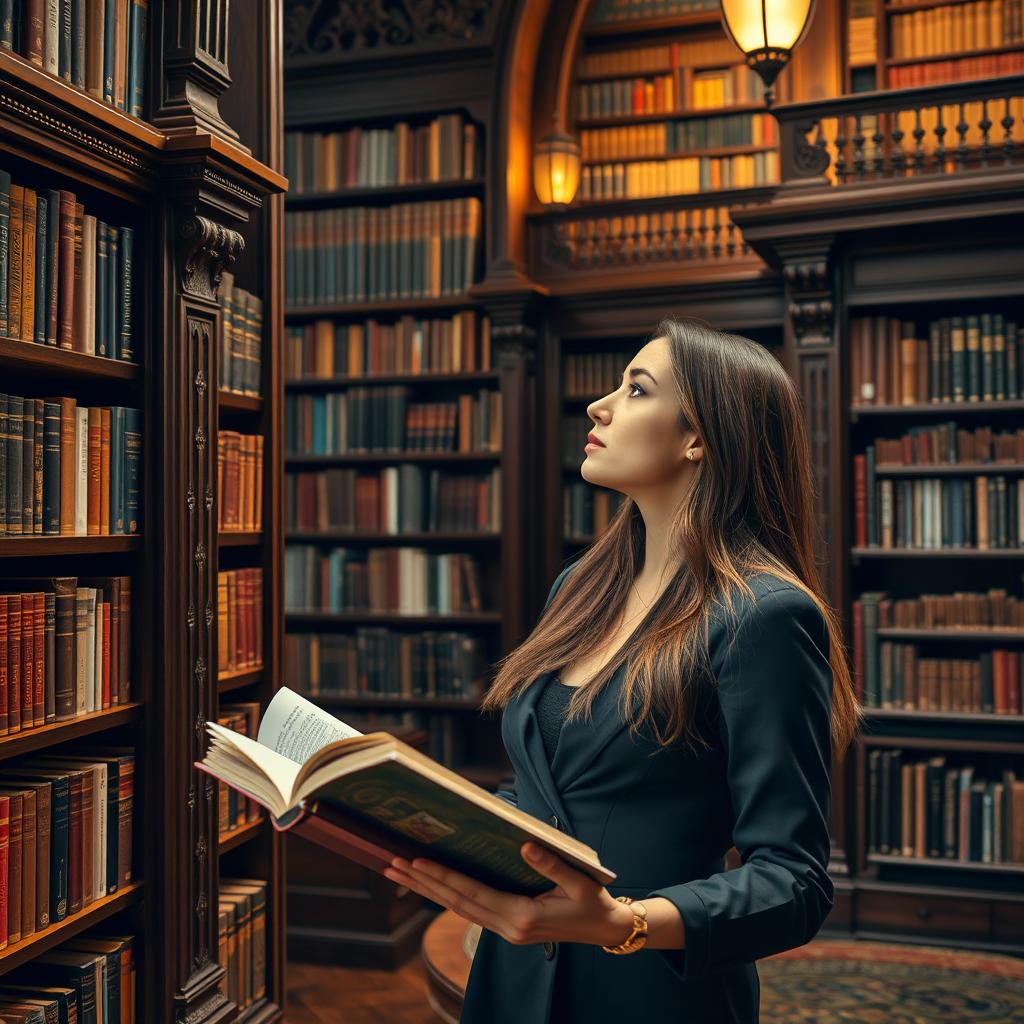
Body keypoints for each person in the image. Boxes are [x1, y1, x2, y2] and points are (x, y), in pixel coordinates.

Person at [383, 317, 863, 1023]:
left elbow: (793, 883)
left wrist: (623, 923)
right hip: (513, 975)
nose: (598, 406)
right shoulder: (580, 585)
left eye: (636, 390)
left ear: (699, 436)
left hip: (649, 992)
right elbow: (540, 789)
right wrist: (429, 826)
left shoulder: (765, 616)